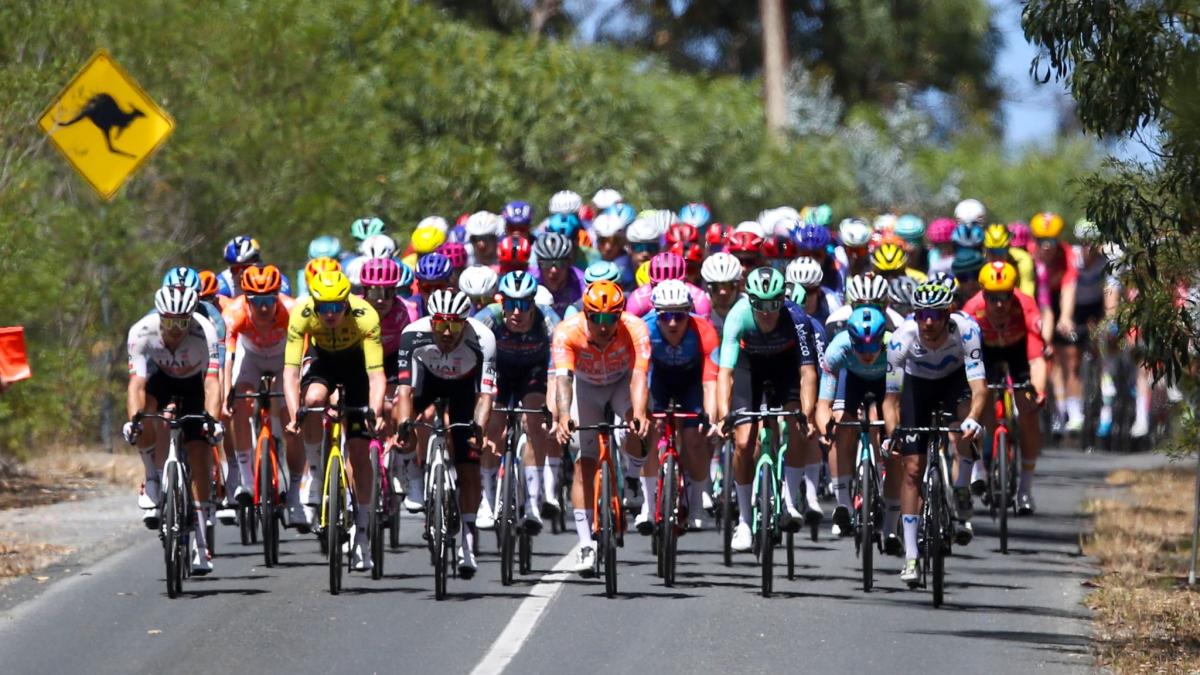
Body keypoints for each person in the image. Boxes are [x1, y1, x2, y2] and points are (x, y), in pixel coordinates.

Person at [883, 281, 987, 587]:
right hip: (918, 388)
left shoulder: (967, 331)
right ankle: (911, 556)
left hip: (955, 381)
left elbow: (980, 389)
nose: (928, 322)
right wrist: (892, 435)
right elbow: (890, 400)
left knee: (966, 426)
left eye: (936, 315)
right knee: (912, 469)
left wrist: (972, 419)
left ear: (948, 314)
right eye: (922, 315)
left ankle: (961, 485)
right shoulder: (901, 339)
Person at [282, 270, 386, 571]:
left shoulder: (365, 315)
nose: (330, 314)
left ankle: (362, 535)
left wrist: (375, 413)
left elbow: (376, 376)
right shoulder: (301, 313)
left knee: (359, 454)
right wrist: (295, 415)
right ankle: (315, 474)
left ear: (346, 303)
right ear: (314, 303)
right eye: (323, 307)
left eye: (336, 307)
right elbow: (290, 372)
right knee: (313, 401)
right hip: (323, 361)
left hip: (356, 367)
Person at [715, 268, 821, 552]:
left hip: (785, 368)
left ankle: (789, 501)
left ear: (783, 300)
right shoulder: (738, 315)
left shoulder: (797, 317)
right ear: (749, 300)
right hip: (749, 367)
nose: (766, 311)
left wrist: (808, 416)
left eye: (774, 303)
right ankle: (744, 522)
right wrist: (724, 415)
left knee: (797, 428)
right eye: (759, 304)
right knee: (743, 442)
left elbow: (808, 372)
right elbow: (725, 373)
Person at [550, 281, 652, 574]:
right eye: (596, 317)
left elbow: (639, 376)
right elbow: (563, 379)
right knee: (585, 461)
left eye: (611, 317)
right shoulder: (567, 332)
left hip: (621, 384)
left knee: (638, 426)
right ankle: (586, 545)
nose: (604, 325)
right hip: (586, 389)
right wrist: (563, 416)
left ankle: (632, 478)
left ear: (621, 315)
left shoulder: (635, 328)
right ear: (586, 314)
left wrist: (639, 413)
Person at [393, 290, 497, 578]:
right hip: (428, 383)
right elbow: (405, 390)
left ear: (465, 323)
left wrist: (479, 429)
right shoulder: (412, 335)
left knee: (469, 463)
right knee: (399, 421)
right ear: (431, 322)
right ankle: (414, 478)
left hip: (464, 389)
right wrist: (404, 423)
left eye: (454, 325)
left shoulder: (483, 338)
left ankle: (468, 542)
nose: (447, 332)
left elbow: (485, 395)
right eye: (440, 324)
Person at [124, 286, 223, 574]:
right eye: (169, 321)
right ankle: (152, 478)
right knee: (144, 413)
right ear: (159, 317)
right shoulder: (141, 331)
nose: (176, 328)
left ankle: (201, 545)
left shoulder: (205, 331)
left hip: (194, 385)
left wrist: (212, 420)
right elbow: (136, 384)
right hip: (162, 379)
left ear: (191, 317)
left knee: (199, 452)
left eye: (182, 321)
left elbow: (212, 382)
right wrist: (133, 421)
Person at [475, 271, 562, 533]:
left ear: (533, 303)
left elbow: (556, 373)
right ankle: (487, 499)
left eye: (523, 304)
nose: (517, 311)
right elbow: (471, 363)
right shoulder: (486, 319)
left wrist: (552, 411)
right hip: (498, 371)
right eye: (511, 303)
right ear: (501, 302)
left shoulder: (549, 321)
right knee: (493, 426)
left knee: (536, 420)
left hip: (534, 372)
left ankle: (533, 502)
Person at [220, 265, 304, 526]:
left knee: (291, 419)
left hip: (283, 360)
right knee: (240, 404)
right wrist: (226, 395)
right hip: (251, 358)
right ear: (246, 299)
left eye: (269, 299)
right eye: (257, 301)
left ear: (278, 296)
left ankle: (295, 494)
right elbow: (228, 359)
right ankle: (246, 479)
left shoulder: (291, 310)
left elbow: (301, 359)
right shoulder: (235, 312)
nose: (264, 307)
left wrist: (296, 393)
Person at [961, 261, 1047, 514]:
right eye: (992, 297)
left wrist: (1038, 392)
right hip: (984, 353)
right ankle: (980, 467)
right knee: (979, 405)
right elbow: (965, 359)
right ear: (983, 294)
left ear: (1013, 294)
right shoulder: (971, 310)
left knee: (1029, 413)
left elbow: (1036, 358)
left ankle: (1025, 490)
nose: (999, 304)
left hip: (1017, 351)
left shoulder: (1026, 305)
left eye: (1005, 296)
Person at [642, 280, 720, 531]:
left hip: (691, 382)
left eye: (679, 315)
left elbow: (710, 383)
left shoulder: (704, 330)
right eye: (666, 316)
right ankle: (647, 505)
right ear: (656, 314)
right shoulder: (645, 330)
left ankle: (696, 504)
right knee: (650, 433)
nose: (673, 323)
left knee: (694, 438)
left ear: (689, 313)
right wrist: (641, 412)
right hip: (658, 380)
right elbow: (639, 377)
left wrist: (710, 417)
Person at [818, 306, 896, 543]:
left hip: (885, 383)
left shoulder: (895, 347)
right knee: (840, 426)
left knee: (885, 427)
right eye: (860, 346)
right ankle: (843, 504)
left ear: (882, 340)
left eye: (873, 347)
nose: (867, 353)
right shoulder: (837, 349)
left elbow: (896, 402)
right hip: (851, 381)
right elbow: (823, 404)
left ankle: (883, 481)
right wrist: (826, 430)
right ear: (851, 341)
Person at [532, 233, 586, 319]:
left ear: (569, 263)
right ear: (538, 264)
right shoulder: (530, 282)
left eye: (560, 263)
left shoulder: (582, 283)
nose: (554, 270)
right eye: (547, 263)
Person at [700, 252, 744, 334]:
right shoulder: (698, 307)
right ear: (707, 288)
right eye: (715, 286)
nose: (723, 292)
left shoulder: (749, 306)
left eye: (730, 285)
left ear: (738, 285)